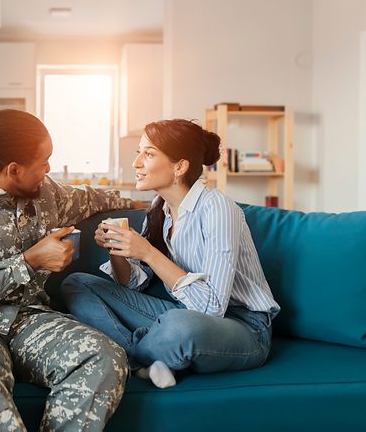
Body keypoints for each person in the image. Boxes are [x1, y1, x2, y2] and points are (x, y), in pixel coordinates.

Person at [0, 109, 142, 432]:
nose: (49, 169)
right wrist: (29, 261)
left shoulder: (46, 193)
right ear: (13, 170)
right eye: (44, 162)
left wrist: (149, 203)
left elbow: (88, 198)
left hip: (28, 320)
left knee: (104, 357)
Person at [61, 119, 280, 389]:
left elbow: (212, 308)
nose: (137, 163)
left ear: (179, 166)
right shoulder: (159, 209)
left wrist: (149, 253)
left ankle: (132, 352)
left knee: (180, 326)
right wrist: (116, 251)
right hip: (182, 311)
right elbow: (135, 284)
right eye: (138, 153)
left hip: (243, 327)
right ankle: (146, 357)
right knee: (78, 284)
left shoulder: (218, 209)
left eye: (149, 154)